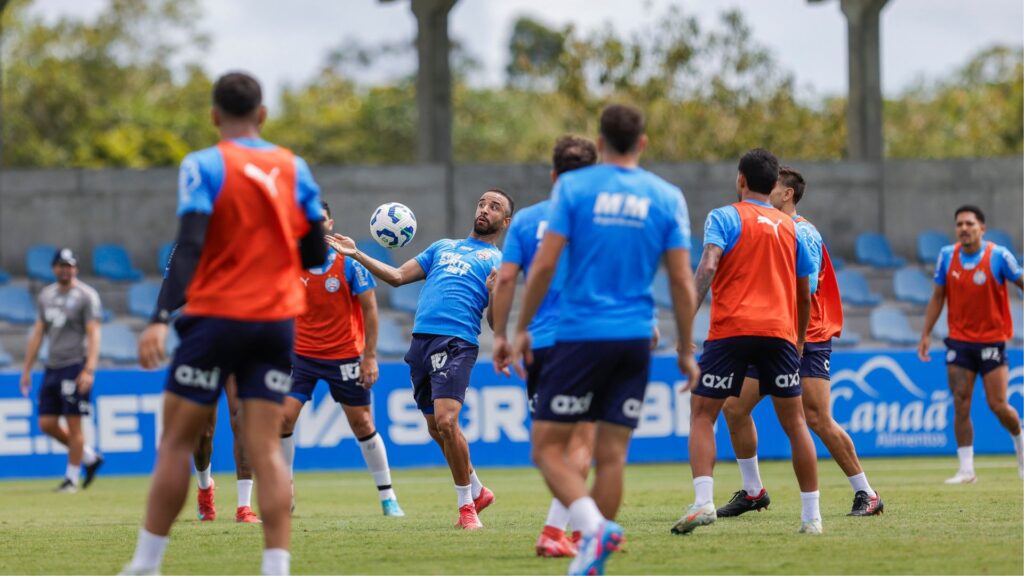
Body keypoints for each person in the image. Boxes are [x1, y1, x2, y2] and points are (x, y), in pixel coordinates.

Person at [122, 72, 326, 576]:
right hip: (275, 322)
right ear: (263, 115)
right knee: (266, 447)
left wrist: (159, 318)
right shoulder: (294, 167)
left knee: (176, 442)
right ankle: (276, 566)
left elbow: (190, 243)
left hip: (217, 317)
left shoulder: (203, 164)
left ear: (215, 116)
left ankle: (146, 564)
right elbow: (314, 252)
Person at [510, 104, 699, 576]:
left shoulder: (574, 188)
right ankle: (593, 553)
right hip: (635, 337)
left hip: (581, 335)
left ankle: (593, 528)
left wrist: (520, 328)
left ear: (600, 142)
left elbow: (546, 264)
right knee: (612, 455)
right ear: (643, 143)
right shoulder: (667, 196)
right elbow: (681, 281)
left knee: (545, 449)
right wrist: (685, 348)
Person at [327, 188, 512, 530]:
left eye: (494, 206)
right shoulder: (442, 247)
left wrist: (495, 292)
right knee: (434, 427)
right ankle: (477, 489)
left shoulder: (499, 262)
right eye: (481, 203)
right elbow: (397, 277)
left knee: (446, 421)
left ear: (506, 221)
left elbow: (497, 324)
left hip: (456, 343)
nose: (485, 209)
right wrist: (356, 254)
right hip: (420, 343)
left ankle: (466, 507)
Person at [718, 166, 883, 518]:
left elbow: (805, 289)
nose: (767, 191)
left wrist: (798, 337)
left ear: (788, 193)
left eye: (773, 186)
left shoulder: (802, 231)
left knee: (817, 417)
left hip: (807, 336)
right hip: (773, 333)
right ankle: (753, 492)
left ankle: (867, 493)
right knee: (734, 407)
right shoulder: (773, 228)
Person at [672, 148, 822, 536]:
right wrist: (798, 339)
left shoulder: (724, 217)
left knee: (702, 414)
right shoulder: (793, 228)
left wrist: (685, 327)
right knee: (796, 423)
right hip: (780, 334)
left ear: (741, 179)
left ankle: (703, 501)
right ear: (773, 185)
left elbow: (708, 265)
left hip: (731, 331)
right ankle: (812, 517)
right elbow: (804, 294)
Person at [491, 134, 599, 558]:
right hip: (586, 340)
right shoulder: (600, 219)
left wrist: (501, 335)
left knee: (551, 447)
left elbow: (506, 279)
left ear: (554, 175)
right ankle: (559, 531)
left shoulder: (527, 219)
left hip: (539, 345)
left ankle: (577, 531)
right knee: (581, 442)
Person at [281, 201, 404, 517]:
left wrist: (370, 356)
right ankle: (284, 489)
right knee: (283, 419)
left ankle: (388, 497)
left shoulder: (349, 263)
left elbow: (371, 310)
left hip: (345, 355)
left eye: (320, 219)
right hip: (301, 356)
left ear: (330, 224)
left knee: (362, 423)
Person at [919, 205, 1024, 482]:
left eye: (969, 224)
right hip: (959, 342)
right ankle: (966, 470)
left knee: (998, 405)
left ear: (982, 228)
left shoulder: (999, 256)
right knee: (960, 402)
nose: (964, 228)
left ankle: (1019, 439)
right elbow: (938, 297)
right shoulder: (946, 256)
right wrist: (926, 333)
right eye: (959, 224)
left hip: (992, 341)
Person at [19, 248, 104, 493]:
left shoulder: (86, 295)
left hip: (75, 365)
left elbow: (94, 333)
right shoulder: (46, 295)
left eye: (69, 265)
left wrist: (89, 369)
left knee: (74, 424)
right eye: (61, 265)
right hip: (52, 366)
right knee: (46, 423)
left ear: (76, 268)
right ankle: (89, 457)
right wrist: (27, 368)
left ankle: (71, 479)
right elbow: (38, 333)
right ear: (54, 268)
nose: (65, 270)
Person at [192, 377, 261, 523]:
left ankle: (244, 507)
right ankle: (205, 487)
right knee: (204, 432)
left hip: (235, 364)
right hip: (209, 365)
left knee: (242, 420)